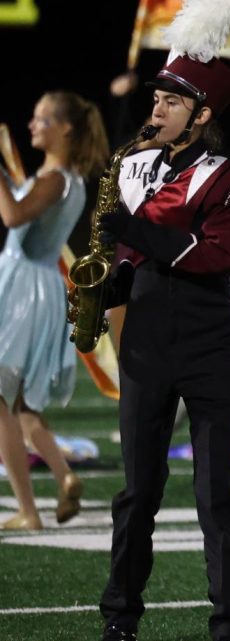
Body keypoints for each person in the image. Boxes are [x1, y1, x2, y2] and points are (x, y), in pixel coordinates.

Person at [95, 0, 230, 641]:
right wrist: (105, 283)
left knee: (216, 492)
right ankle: (120, 615)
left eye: (171, 100)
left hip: (208, 342)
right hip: (146, 341)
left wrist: (137, 234)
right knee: (137, 493)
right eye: (157, 97)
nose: (158, 107)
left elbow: (211, 254)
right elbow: (130, 252)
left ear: (201, 113)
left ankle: (229, 622)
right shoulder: (132, 168)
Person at [0, 91, 108, 530]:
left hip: (22, 288)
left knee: (1, 402)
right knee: (24, 408)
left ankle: (28, 511)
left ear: (65, 129)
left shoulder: (55, 179)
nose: (32, 125)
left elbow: (13, 218)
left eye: (41, 118)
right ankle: (64, 478)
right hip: (40, 286)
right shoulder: (70, 179)